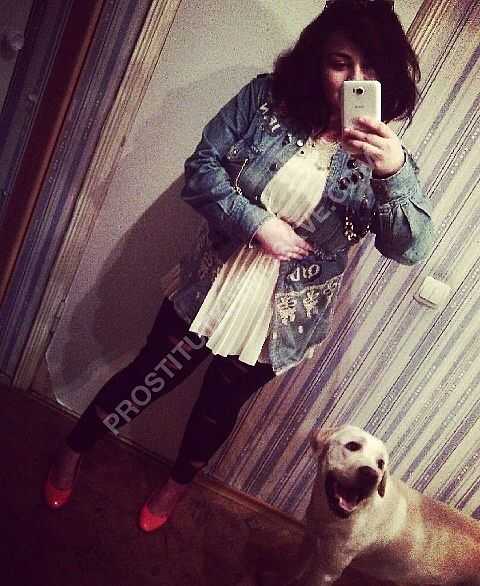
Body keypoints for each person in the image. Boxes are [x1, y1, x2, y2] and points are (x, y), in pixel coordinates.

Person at [44, 0, 433, 532]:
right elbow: (201, 168)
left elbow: (409, 249)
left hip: (281, 319)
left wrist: (392, 173)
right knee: (147, 377)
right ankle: (73, 448)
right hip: (211, 284)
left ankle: (176, 485)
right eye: (340, 63)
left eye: (372, 69)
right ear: (317, 60)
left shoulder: (387, 156)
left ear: (388, 77)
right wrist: (256, 223)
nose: (355, 81)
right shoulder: (265, 100)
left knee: (217, 408)